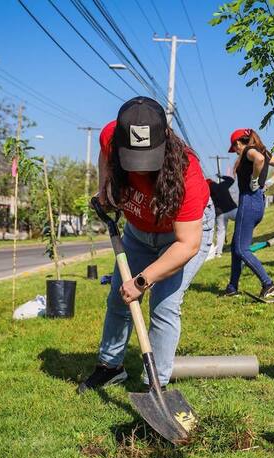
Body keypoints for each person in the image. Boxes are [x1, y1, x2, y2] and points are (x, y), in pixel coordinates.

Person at [78, 97, 213, 392]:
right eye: (132, 160)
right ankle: (110, 366)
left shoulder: (187, 171)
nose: (139, 170)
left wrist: (143, 280)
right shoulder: (110, 137)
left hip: (179, 238)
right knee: (118, 299)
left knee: (164, 305)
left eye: (147, 159)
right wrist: (104, 188)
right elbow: (104, 154)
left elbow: (187, 244)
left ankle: (156, 385)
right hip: (138, 232)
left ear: (165, 142)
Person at [222, 128, 274, 298]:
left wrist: (254, 179)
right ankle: (232, 287)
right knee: (237, 246)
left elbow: (258, 160)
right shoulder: (264, 152)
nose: (235, 152)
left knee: (241, 248)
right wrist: (268, 182)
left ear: (238, 143)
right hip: (258, 202)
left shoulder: (249, 151)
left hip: (249, 202)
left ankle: (268, 284)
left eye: (234, 148)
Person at [205, 173, 238, 260]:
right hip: (232, 210)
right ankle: (241, 243)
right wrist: (222, 176)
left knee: (220, 234)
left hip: (220, 214)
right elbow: (231, 180)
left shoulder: (209, 194)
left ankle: (218, 253)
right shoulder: (222, 185)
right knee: (244, 222)